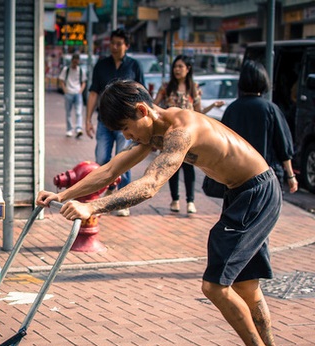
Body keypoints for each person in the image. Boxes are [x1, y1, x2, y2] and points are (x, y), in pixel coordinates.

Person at [37, 79, 287, 346]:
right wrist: (61, 196)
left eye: (128, 130)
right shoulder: (154, 130)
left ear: (143, 110)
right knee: (246, 287)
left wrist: (94, 207)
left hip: (256, 192)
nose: (128, 137)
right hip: (243, 194)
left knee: (214, 286)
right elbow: (110, 169)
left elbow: (151, 184)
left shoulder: (181, 129)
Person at [153, 55, 224, 214]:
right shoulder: (166, 87)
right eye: (175, 66)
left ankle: (190, 201)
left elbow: (198, 113)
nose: (177, 70)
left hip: (189, 136)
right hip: (170, 134)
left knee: (189, 167)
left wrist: (212, 106)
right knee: (172, 168)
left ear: (188, 69)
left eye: (180, 66)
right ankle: (175, 199)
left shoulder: (194, 87)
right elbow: (155, 106)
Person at [86, 28, 144, 217]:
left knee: (124, 161)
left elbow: (142, 94)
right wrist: (87, 119)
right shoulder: (101, 65)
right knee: (102, 159)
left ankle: (123, 200)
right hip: (104, 122)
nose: (114, 47)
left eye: (119, 44)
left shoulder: (134, 66)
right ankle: (106, 191)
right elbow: (94, 92)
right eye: (112, 43)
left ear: (126, 45)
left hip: (127, 124)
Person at [221, 60, 298, 195]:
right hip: (266, 174)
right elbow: (283, 145)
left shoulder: (232, 109)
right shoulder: (270, 109)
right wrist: (291, 176)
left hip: (237, 176)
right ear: (264, 80)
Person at [58, 53, 87, 138]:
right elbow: (61, 80)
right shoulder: (66, 70)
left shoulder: (81, 70)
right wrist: (65, 90)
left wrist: (80, 90)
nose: (75, 64)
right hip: (69, 93)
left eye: (76, 62)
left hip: (77, 93)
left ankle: (78, 129)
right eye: (74, 62)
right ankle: (69, 129)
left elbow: (83, 82)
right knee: (68, 112)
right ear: (72, 61)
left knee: (78, 112)